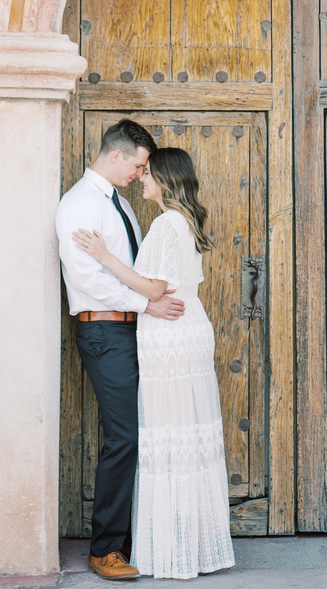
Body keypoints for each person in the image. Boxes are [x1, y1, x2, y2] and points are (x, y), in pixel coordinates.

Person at [72, 147, 235, 581]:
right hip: (187, 329)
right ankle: (192, 546)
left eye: (148, 172)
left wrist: (104, 256)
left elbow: (156, 287)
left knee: (169, 436)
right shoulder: (184, 221)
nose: (142, 177)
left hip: (171, 337)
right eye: (140, 169)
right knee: (183, 435)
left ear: (164, 178)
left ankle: (171, 550)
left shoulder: (166, 223)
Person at [56, 119, 187, 581]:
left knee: (140, 434)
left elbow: (130, 269)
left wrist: (146, 307)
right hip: (105, 332)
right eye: (138, 164)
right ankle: (105, 549)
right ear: (117, 155)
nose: (140, 173)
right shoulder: (79, 205)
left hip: (133, 330)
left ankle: (135, 539)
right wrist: (146, 305)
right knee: (124, 438)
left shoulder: (121, 206)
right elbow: (89, 280)